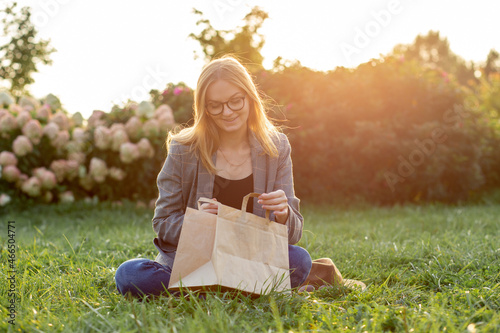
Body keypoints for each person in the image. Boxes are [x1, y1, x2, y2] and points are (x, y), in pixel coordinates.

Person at [115, 55, 312, 297]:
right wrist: (198, 224)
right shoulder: (183, 149)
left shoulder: (276, 148)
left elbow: (293, 233)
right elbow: (163, 222)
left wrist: (283, 214)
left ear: (250, 99)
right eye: (215, 105)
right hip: (194, 262)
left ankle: (204, 290)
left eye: (235, 101)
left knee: (300, 259)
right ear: (204, 107)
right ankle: (238, 289)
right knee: (130, 274)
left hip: (251, 257)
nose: (227, 112)